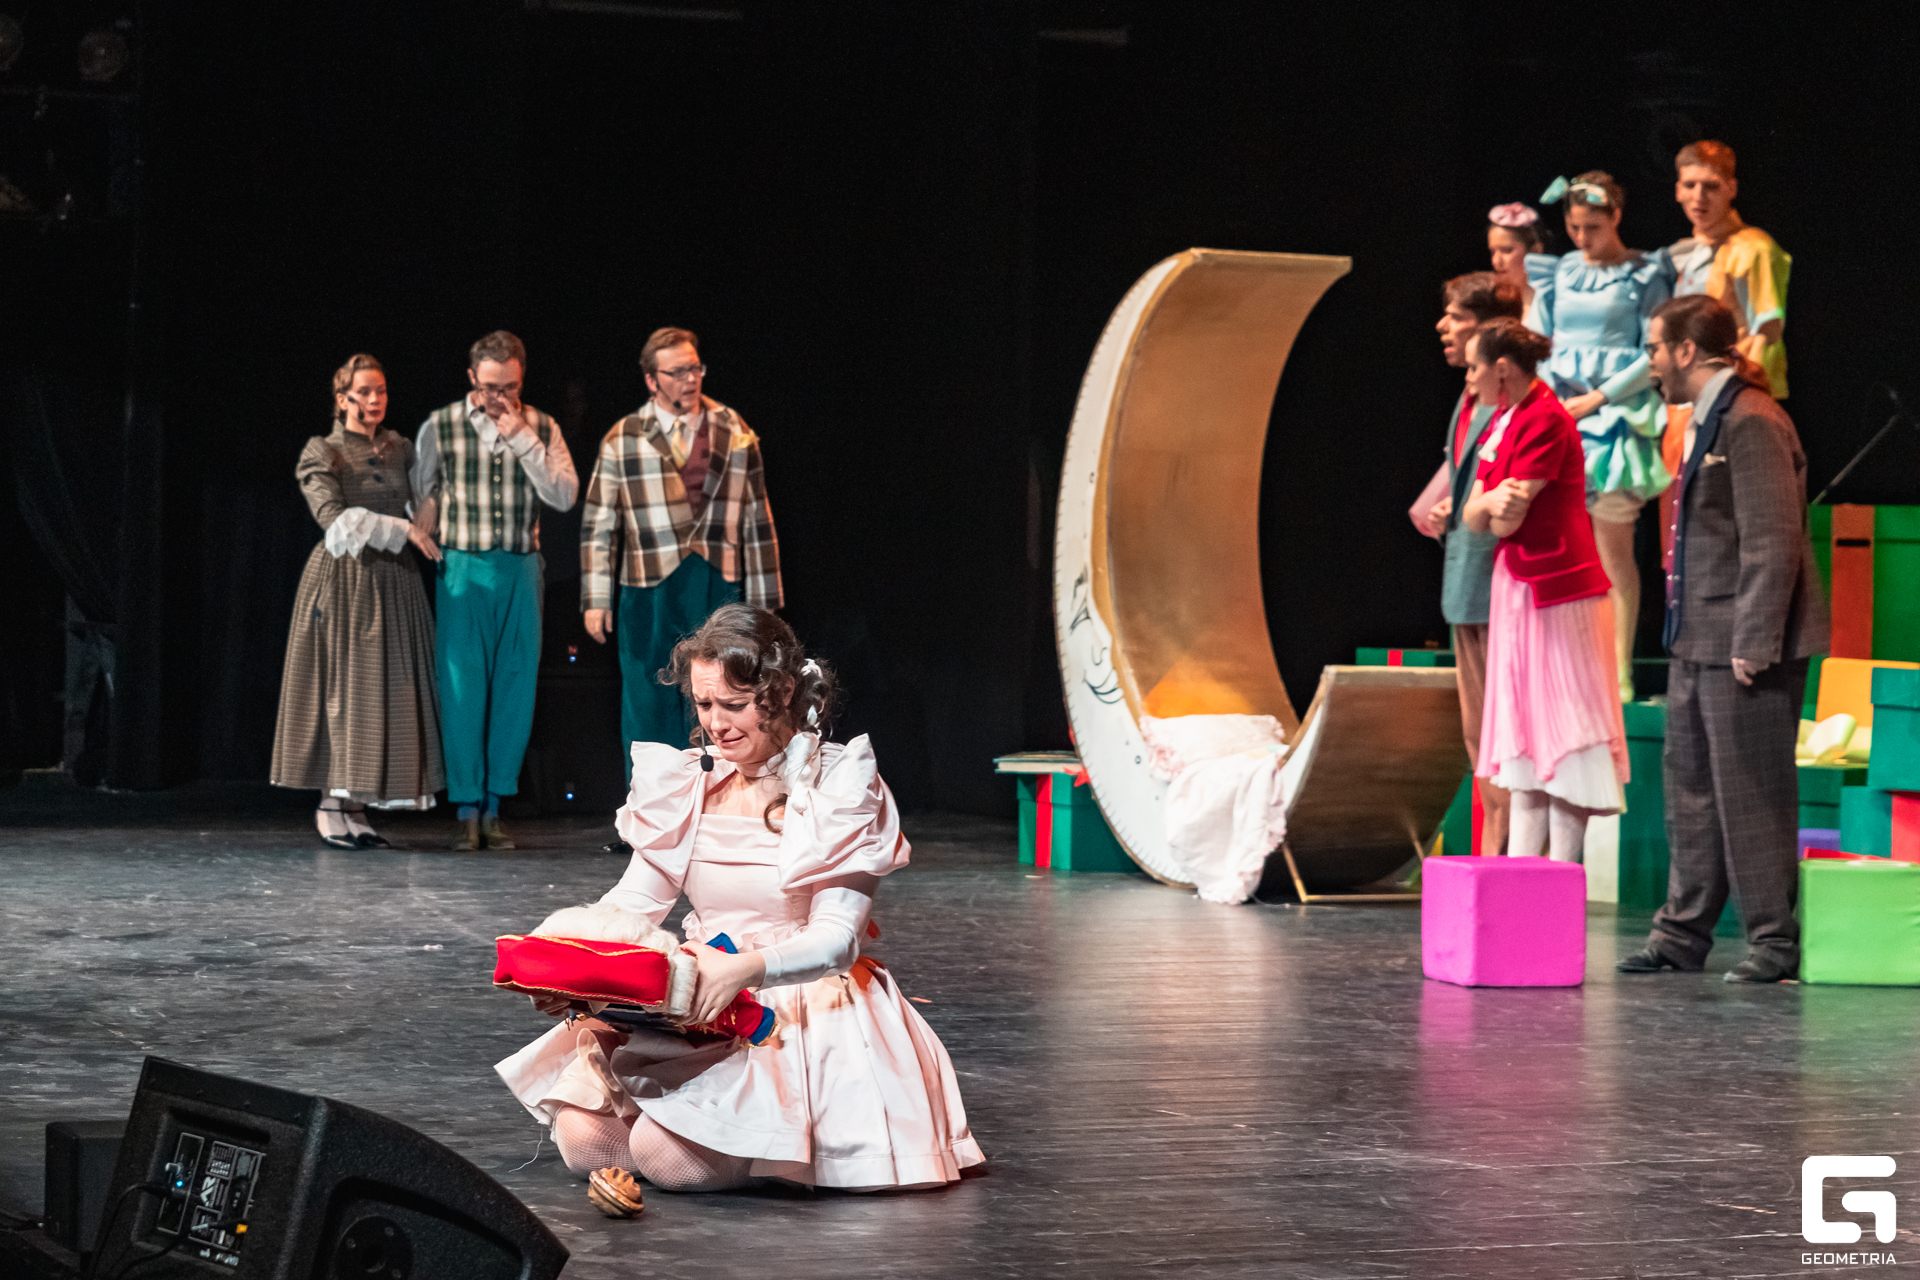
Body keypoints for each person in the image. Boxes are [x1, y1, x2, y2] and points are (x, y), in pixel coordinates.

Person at [495, 605, 984, 1195]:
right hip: (700, 1001)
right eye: (704, 705)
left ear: (782, 693)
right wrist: (570, 968)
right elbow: (633, 902)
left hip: (794, 1006)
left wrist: (745, 970)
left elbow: (837, 940)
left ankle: (764, 1147)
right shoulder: (691, 782)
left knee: (662, 1157)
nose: (716, 724)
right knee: (583, 1141)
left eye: (734, 704)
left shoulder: (838, 784)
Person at [1619, 295, 1829, 983]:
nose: (1651, 363)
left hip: (1742, 642)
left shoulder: (1752, 419)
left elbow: (1773, 539)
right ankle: (1681, 934)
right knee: (1691, 789)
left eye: (1655, 348)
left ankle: (1773, 941)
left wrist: (1755, 640)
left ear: (1687, 350)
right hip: (1696, 637)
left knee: (1752, 791)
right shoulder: (1707, 419)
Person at [1461, 319, 1628, 863]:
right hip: (1517, 588)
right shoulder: (1504, 418)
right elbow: (1474, 515)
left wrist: (1488, 507)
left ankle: (1559, 876)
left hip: (1559, 592)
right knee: (1527, 734)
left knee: (1565, 726)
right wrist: (1488, 505)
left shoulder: (1546, 419)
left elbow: (1505, 520)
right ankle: (1524, 875)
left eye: (1473, 367)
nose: (1468, 379)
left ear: (1501, 369)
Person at [581, 328, 782, 766]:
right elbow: (599, 524)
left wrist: (765, 599)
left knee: (720, 693)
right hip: (649, 585)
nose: (690, 379)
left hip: (715, 579)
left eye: (695, 368)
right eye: (677, 372)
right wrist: (596, 598)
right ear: (652, 380)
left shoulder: (733, 427)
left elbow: (758, 516)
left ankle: (718, 796)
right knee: (648, 698)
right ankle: (651, 801)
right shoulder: (624, 436)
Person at [414, 331, 579, 851]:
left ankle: (493, 807)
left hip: (520, 568)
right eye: (490, 387)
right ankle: (465, 807)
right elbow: (423, 488)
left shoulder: (542, 426)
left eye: (509, 387)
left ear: (521, 381)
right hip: (462, 566)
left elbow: (565, 495)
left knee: (514, 686)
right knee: (462, 689)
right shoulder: (442, 424)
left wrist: (523, 438)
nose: (499, 397)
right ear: (472, 379)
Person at [271, 355, 445, 847]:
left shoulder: (399, 448)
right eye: (364, 392)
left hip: (395, 582)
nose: (374, 400)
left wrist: (428, 510)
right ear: (342, 398)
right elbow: (333, 519)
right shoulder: (324, 451)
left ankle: (356, 805)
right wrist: (404, 530)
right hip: (346, 582)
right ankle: (330, 803)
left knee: (385, 694)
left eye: (381, 391)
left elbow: (426, 492)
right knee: (343, 692)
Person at [1529, 171, 1674, 702]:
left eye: (1593, 226)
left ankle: (1617, 669)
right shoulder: (1561, 271)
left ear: (1616, 217)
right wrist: (1546, 401)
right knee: (1562, 543)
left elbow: (1653, 353)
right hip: (1561, 413)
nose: (1582, 237)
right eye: (1574, 227)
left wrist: (1599, 398)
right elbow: (1538, 341)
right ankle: (1567, 669)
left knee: (1612, 548)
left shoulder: (1643, 272)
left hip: (1615, 416)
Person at [1410, 273, 1524, 856]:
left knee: (1501, 729)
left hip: (1499, 583)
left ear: (1486, 330)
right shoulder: (1467, 399)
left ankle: (1506, 851)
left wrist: (1472, 510)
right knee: (1477, 729)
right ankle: (1492, 848)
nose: (1443, 326)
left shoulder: (1512, 404)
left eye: (1455, 316)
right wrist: (1451, 509)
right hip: (1465, 582)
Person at [1657, 141, 1793, 563]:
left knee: (1727, 523)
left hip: (1726, 404)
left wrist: (1740, 402)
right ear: (1677, 190)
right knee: (1678, 529)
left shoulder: (1753, 247)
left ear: (1731, 188)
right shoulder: (1681, 253)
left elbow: (1766, 332)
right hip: (1682, 406)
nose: (1699, 197)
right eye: (1690, 185)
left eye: (1711, 186)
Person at [1485, 203, 1550, 328]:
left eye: (1507, 250)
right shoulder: (1508, 304)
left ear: (1536, 251)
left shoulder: (1553, 303)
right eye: (1493, 252)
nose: (1496, 261)